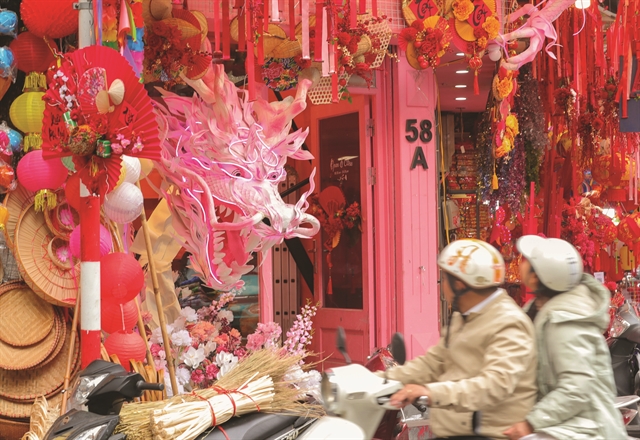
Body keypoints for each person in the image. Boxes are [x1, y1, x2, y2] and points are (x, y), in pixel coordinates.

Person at [386, 238, 538, 439]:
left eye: (444, 279)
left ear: (459, 284)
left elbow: (494, 384)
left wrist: (431, 392)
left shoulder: (508, 322)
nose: (441, 286)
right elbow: (434, 362)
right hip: (453, 431)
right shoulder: (463, 315)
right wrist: (382, 379)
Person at [504, 235, 626, 440]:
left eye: (528, 262)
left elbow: (576, 388)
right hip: (565, 423)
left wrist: (531, 422)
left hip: (584, 429)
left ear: (537, 277)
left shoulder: (565, 321)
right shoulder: (540, 310)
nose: (521, 264)